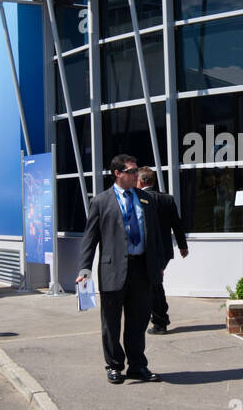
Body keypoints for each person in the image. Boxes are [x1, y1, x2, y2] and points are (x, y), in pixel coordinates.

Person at [77, 154, 165, 383]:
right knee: (112, 322)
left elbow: (155, 236)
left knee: (138, 321)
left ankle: (137, 366)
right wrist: (84, 269)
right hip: (113, 270)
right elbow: (90, 238)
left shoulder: (146, 199)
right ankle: (114, 365)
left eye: (137, 171)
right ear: (117, 173)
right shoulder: (101, 201)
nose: (136, 175)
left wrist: (159, 264)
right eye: (131, 171)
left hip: (141, 269)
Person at [137, 167, 188, 335]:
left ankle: (160, 322)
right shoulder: (167, 199)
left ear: (141, 181)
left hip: (147, 251)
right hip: (164, 251)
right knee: (155, 283)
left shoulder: (139, 198)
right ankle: (159, 320)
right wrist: (182, 245)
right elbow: (177, 225)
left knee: (154, 285)